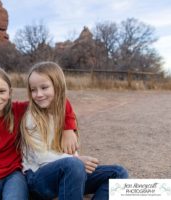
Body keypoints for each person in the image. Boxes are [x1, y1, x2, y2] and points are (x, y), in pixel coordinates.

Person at [0, 64, 78, 200]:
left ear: (10, 92)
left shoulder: (19, 111)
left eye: (1, 91)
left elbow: (59, 100)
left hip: (15, 174)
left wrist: (68, 128)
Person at [20, 61, 128, 200]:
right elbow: (41, 158)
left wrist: (69, 132)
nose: (38, 94)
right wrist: (76, 161)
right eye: (33, 90)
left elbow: (70, 152)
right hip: (38, 179)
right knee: (73, 164)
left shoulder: (63, 113)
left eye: (44, 87)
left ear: (58, 87)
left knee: (118, 173)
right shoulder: (31, 117)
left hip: (70, 172)